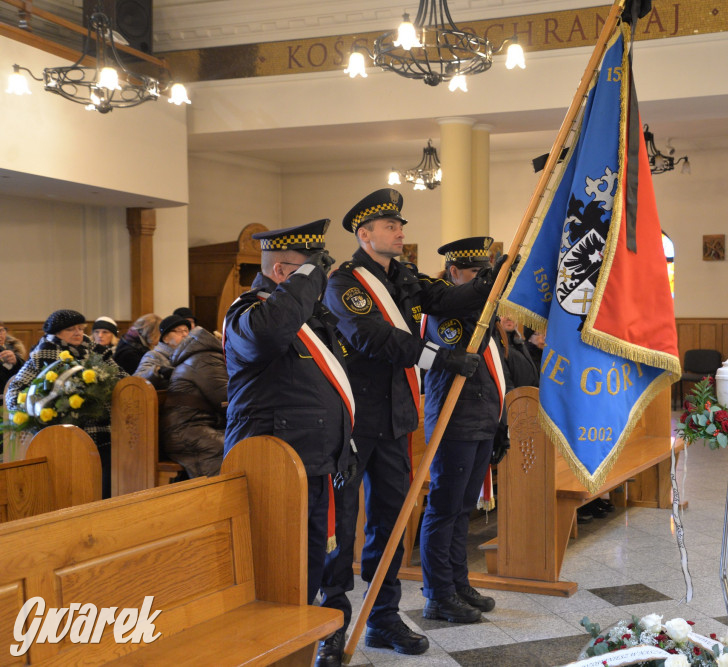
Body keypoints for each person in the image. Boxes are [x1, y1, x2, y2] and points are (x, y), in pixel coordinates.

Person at [320, 189, 503, 663]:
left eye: (399, 224)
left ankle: (382, 618)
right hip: (355, 424)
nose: (401, 231)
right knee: (341, 527)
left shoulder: (402, 275)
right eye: (390, 226)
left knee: (390, 524)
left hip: (397, 421)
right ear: (365, 234)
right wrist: (443, 359)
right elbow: (373, 337)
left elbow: (449, 296)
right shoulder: (346, 283)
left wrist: (498, 277)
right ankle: (332, 625)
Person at [222, 219, 354, 611]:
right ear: (280, 272)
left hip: (317, 462)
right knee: (281, 575)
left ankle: (311, 643)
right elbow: (268, 335)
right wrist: (307, 278)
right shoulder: (248, 313)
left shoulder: (309, 318)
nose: (319, 282)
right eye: (310, 272)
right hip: (276, 465)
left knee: (312, 567)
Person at [418, 237, 510, 625]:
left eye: (485, 276)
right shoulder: (448, 315)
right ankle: (439, 593)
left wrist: (499, 424)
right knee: (444, 510)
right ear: (455, 273)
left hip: (481, 421)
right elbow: (458, 355)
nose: (481, 284)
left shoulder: (479, 312)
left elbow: (493, 373)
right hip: (455, 423)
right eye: (476, 275)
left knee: (462, 511)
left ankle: (458, 582)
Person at [4, 309, 125, 497]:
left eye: (80, 328)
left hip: (102, 430)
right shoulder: (43, 354)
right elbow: (16, 388)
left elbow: (123, 378)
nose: (78, 333)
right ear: (57, 332)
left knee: (104, 486)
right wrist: (31, 412)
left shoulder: (97, 352)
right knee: (73, 487)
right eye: (71, 329)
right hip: (61, 434)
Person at [160, 326, 228, 478]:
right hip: (187, 430)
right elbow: (226, 397)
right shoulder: (206, 359)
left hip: (192, 426)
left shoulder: (204, 356)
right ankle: (214, 497)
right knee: (231, 447)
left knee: (247, 442)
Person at [134, 314, 192, 391]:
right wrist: (158, 371)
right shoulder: (154, 355)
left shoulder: (190, 355)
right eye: (179, 331)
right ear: (165, 338)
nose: (185, 335)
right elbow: (137, 379)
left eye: (186, 330)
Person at [497, 315, 539, 388]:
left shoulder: (518, 343)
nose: (509, 317)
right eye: (503, 313)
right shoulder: (496, 346)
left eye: (513, 312)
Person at [0, 321, 27, 390]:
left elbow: (25, 372)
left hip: (11, 392)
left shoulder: (14, 349)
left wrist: (16, 362)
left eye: (1, 330)